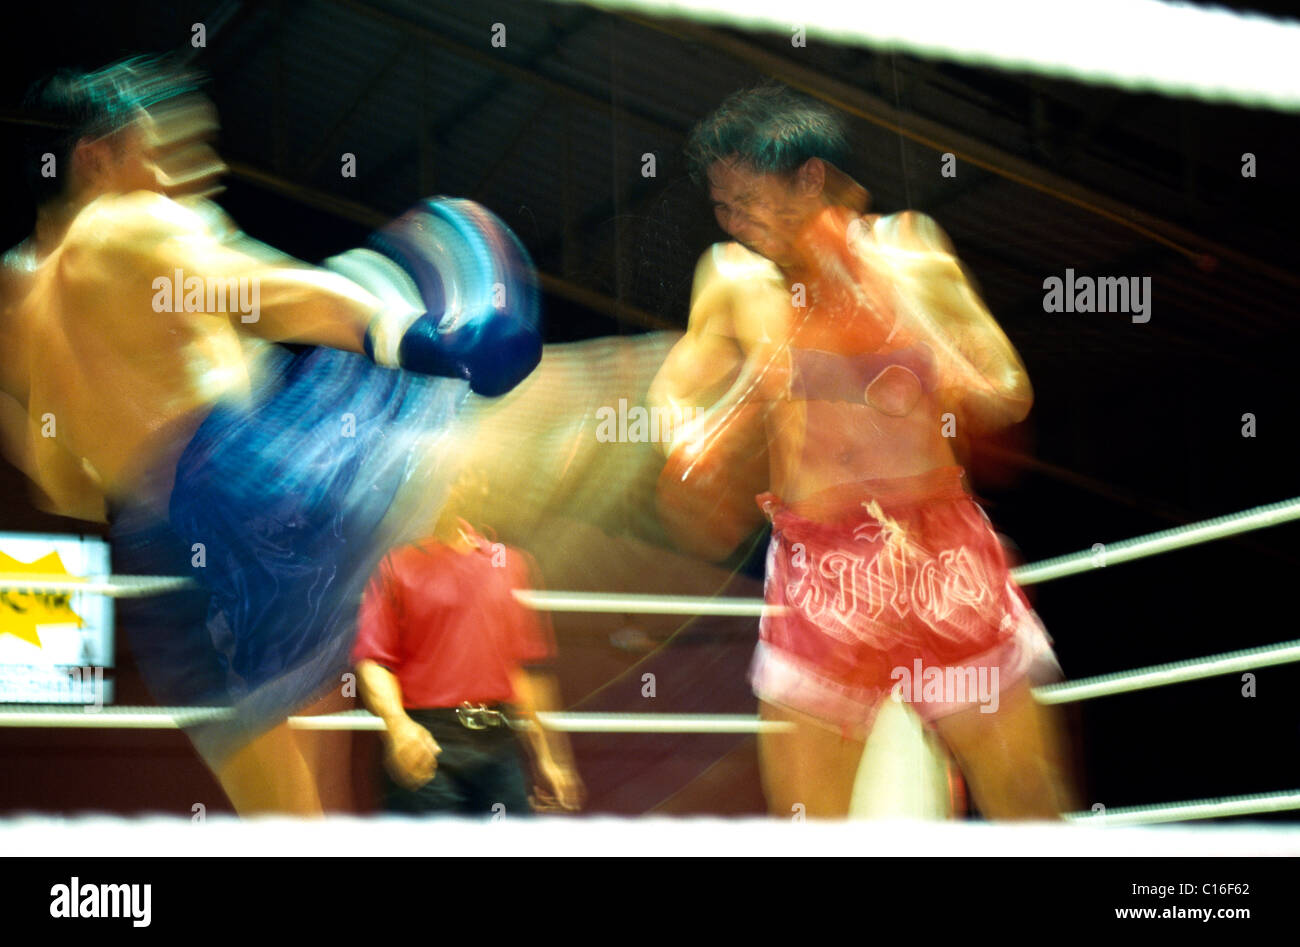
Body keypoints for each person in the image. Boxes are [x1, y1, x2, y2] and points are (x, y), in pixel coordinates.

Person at [0, 56, 542, 814]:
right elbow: (270, 295)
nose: (170, 173)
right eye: (150, 151)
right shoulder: (119, 221)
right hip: (249, 485)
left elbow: (63, 484)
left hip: (166, 567)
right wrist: (408, 336)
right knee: (427, 263)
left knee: (285, 818)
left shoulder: (18, 307)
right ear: (95, 157)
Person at [649, 85, 1078, 819]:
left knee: (1030, 809)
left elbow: (1009, 392)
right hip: (822, 572)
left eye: (748, 197)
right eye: (723, 203)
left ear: (809, 177)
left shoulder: (911, 252)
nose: (735, 219)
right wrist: (691, 440)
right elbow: (673, 393)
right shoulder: (731, 279)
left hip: (943, 559)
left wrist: (892, 325)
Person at [353, 487, 583, 816]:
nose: (457, 484)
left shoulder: (509, 564)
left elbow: (524, 670)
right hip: (428, 741)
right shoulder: (397, 561)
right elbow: (373, 660)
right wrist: (399, 727)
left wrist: (549, 757)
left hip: (498, 740)